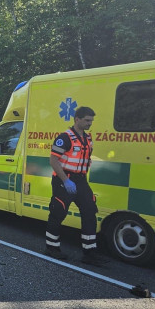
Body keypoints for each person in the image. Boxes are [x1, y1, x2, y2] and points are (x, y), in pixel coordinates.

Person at [43, 106, 108, 266]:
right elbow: (53, 160)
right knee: (58, 212)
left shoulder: (87, 138)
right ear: (77, 119)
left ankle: (89, 252)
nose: (89, 123)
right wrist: (65, 180)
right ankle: (51, 247)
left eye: (91, 120)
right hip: (64, 180)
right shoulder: (65, 138)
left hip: (80, 181)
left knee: (89, 212)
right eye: (87, 120)